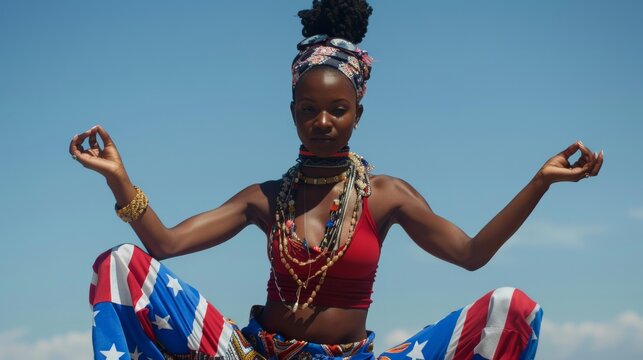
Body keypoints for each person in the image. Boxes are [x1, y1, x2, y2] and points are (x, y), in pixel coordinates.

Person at [69, 1, 604, 359]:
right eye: (309, 110)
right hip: (254, 353)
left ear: (357, 114)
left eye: (337, 109)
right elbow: (165, 244)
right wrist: (119, 178)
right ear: (293, 113)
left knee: (511, 307)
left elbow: (470, 254)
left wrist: (541, 182)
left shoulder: (388, 196)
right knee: (120, 263)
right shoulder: (267, 197)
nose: (323, 122)